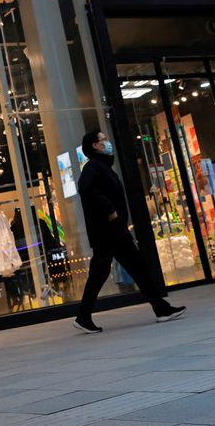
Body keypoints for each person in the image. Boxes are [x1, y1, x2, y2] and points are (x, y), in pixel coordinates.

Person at [74, 129, 186, 333]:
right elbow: (86, 190)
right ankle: (161, 308)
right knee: (136, 266)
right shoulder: (93, 167)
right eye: (103, 139)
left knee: (104, 272)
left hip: (109, 232)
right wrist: (110, 210)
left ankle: (84, 315)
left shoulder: (102, 166)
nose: (107, 141)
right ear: (95, 146)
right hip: (109, 231)